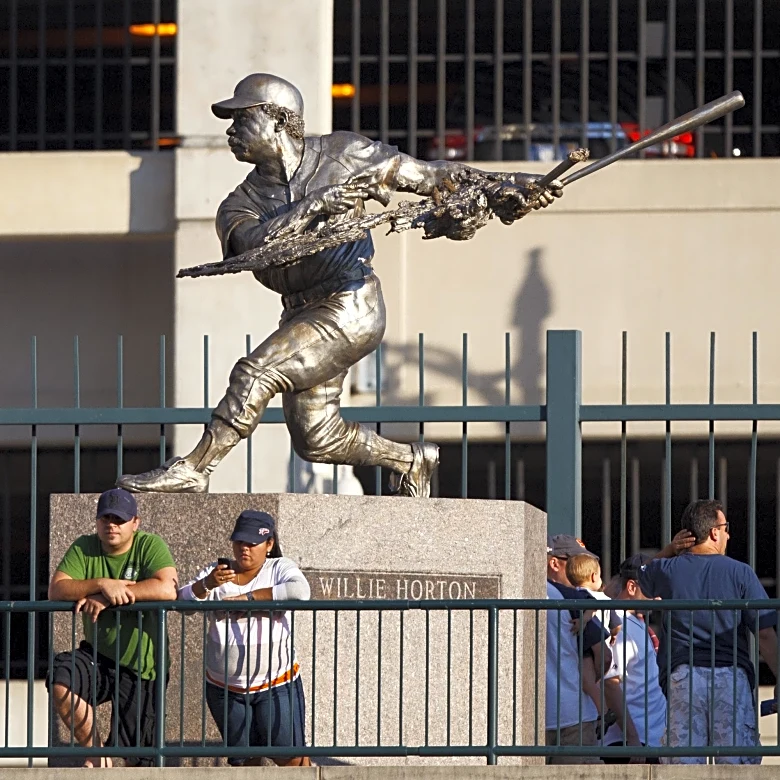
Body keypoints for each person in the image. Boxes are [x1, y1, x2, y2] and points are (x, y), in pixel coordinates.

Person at [116, 73, 562, 498]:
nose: (231, 131)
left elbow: (431, 177)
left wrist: (509, 184)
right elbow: (253, 248)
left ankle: (194, 469)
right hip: (301, 310)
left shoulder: (343, 152)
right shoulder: (239, 203)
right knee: (317, 439)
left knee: (255, 372)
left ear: (276, 118)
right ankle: (409, 461)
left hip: (351, 302)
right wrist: (313, 207)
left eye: (241, 118)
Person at [638, 499, 779, 764]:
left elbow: (641, 577)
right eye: (725, 527)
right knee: (737, 764)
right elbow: (764, 633)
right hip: (730, 675)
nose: (728, 534)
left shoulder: (668, 570)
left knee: (684, 765)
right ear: (714, 532)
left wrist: (670, 549)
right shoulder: (741, 573)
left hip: (683, 676)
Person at [47, 488, 178, 768]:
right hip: (99, 653)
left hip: (143, 665)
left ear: (135, 523)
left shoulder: (150, 545)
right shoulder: (84, 545)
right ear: (96, 521)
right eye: (105, 518)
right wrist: (102, 584)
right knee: (62, 678)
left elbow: (168, 588)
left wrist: (108, 599)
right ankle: (97, 755)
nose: (111, 525)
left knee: (140, 759)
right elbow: (57, 589)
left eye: (119, 519)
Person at [178, 509, 311, 767]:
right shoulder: (217, 573)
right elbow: (182, 601)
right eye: (240, 542)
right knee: (244, 761)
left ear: (269, 544)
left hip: (275, 683)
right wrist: (206, 584)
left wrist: (247, 599)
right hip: (225, 688)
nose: (244, 549)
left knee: (289, 757)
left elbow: (300, 590)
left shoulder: (278, 568)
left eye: (252, 543)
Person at [546, 534, 612, 763]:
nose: (578, 572)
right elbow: (603, 656)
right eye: (574, 563)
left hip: (525, 719)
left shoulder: (514, 591)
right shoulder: (573, 599)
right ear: (554, 563)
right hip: (572, 717)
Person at [600, 553, 667, 764]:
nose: (659, 597)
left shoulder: (630, 621)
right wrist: (632, 738)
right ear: (631, 587)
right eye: (654, 588)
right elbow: (610, 683)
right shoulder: (620, 626)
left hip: (646, 739)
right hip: (634, 744)